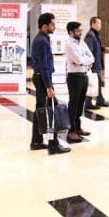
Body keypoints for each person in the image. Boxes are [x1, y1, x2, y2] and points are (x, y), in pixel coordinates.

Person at [30, 13, 70, 155]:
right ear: (44, 26)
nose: (55, 26)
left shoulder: (41, 39)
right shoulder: (42, 41)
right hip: (43, 79)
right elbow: (44, 66)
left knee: (40, 109)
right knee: (51, 111)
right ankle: (53, 145)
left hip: (39, 77)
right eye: (52, 24)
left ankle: (36, 141)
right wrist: (48, 86)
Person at [65, 21, 95, 143]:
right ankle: (71, 131)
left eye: (81, 30)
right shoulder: (68, 44)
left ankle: (77, 127)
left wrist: (83, 62)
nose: (80, 32)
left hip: (84, 76)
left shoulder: (81, 42)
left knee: (80, 104)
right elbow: (77, 60)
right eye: (78, 31)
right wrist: (84, 61)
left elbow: (92, 57)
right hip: (74, 77)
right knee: (73, 104)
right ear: (71, 32)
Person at [84, 16, 109, 109]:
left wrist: (103, 48)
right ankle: (88, 103)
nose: (100, 25)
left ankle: (100, 100)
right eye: (98, 23)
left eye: (100, 23)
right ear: (93, 24)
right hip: (93, 65)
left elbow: (96, 47)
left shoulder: (95, 34)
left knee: (97, 82)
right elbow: (89, 50)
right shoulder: (90, 35)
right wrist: (89, 63)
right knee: (92, 82)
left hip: (96, 63)